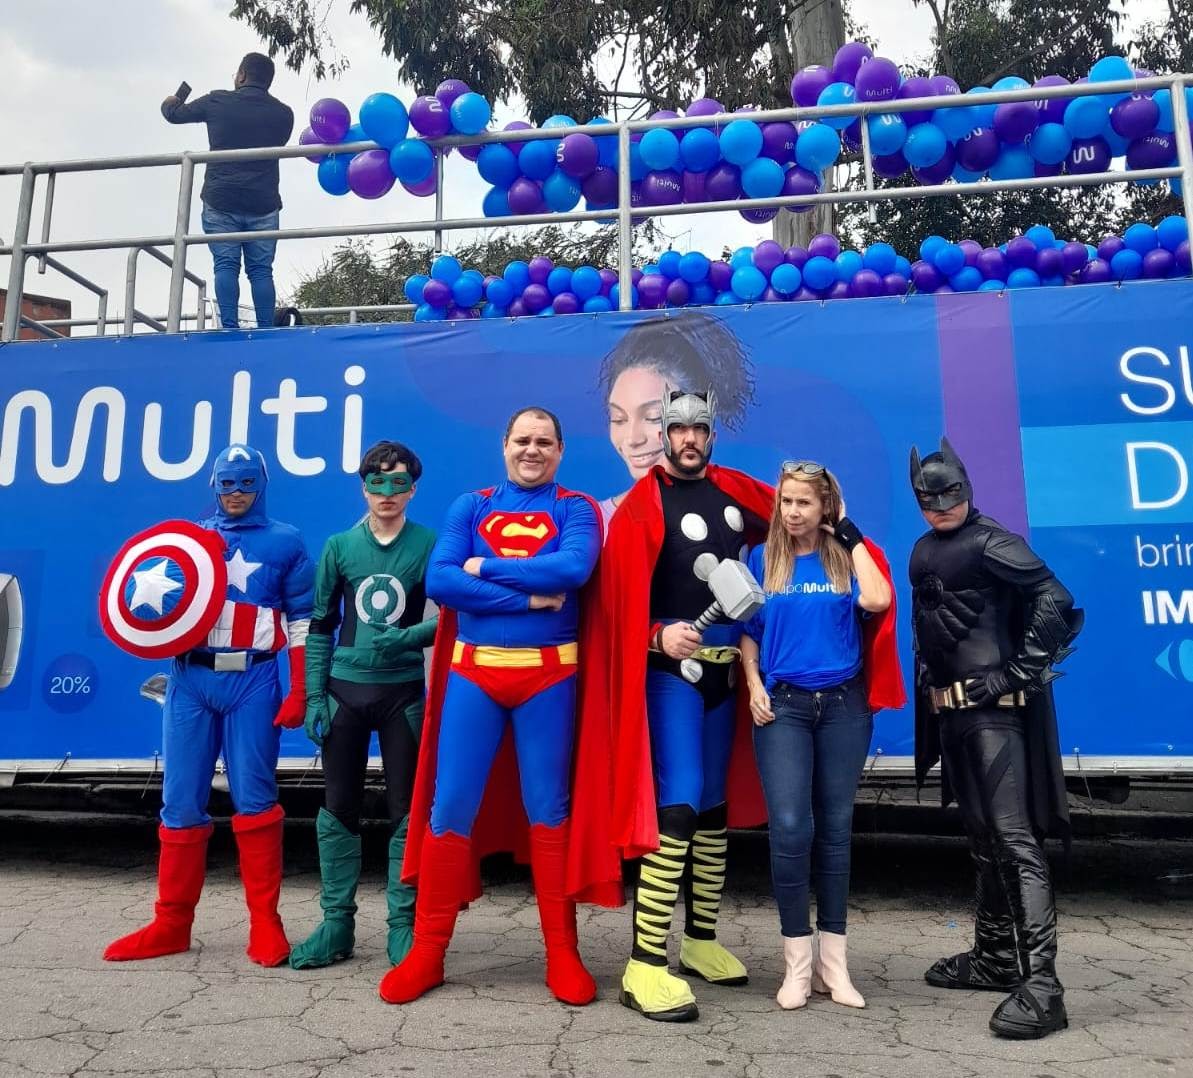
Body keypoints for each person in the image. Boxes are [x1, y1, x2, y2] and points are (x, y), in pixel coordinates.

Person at [378, 407, 607, 1007]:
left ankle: (562, 953)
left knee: (548, 809)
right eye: (522, 440)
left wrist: (484, 567)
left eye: (544, 442)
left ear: (560, 451)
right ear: (504, 445)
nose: (532, 450)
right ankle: (428, 953)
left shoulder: (576, 509)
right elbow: (441, 582)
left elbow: (573, 568)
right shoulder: (470, 506)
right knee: (450, 805)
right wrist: (530, 599)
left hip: (548, 678)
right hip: (473, 676)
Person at [586, 387, 773, 1023]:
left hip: (726, 677)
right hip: (672, 675)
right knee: (681, 804)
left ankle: (699, 939)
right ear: (665, 435)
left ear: (712, 433)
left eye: (699, 428)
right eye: (679, 428)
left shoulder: (737, 493)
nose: (689, 438)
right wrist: (655, 635)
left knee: (715, 806)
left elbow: (803, 516)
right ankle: (644, 964)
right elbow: (612, 602)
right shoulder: (644, 505)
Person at [104, 443, 314, 967]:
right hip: (191, 678)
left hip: (253, 678)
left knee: (256, 800)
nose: (236, 493)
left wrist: (300, 689)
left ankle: (265, 922)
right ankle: (171, 923)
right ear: (213, 485)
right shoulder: (191, 539)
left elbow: (303, 620)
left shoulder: (285, 540)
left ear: (261, 484)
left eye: (246, 483)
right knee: (179, 802)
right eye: (226, 483)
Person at [909, 437, 1082, 1040]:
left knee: (1014, 841)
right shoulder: (924, 549)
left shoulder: (992, 542)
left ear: (967, 488)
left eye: (949, 495)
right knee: (984, 840)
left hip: (995, 716)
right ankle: (995, 957)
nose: (940, 506)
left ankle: (1045, 986)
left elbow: (1056, 600)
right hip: (955, 715)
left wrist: (1014, 674)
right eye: (928, 498)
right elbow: (930, 630)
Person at [740, 462, 903, 1012]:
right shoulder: (762, 559)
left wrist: (849, 535)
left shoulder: (845, 557)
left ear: (826, 506)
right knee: (790, 828)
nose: (792, 512)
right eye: (786, 501)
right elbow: (749, 631)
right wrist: (753, 683)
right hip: (783, 706)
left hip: (843, 708)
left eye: (804, 502)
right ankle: (797, 966)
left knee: (834, 831)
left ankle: (835, 968)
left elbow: (878, 601)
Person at [289, 441, 437, 971]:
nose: (387, 492)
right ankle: (336, 924)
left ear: (413, 489)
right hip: (344, 694)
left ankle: (404, 927)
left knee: (406, 810)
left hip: (403, 694)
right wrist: (314, 696)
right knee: (338, 807)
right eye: (377, 482)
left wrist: (410, 637)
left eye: (398, 482)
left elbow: (452, 615)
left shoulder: (429, 544)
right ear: (363, 487)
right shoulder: (339, 547)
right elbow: (320, 624)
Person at [162, 53, 295, 330]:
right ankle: (265, 330)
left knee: (225, 265)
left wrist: (174, 98)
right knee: (261, 271)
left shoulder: (217, 101)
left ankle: (230, 329)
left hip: (220, 199)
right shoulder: (284, 114)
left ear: (242, 75)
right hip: (263, 203)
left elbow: (172, 114)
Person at [598, 313, 756, 532]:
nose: (632, 439)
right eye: (618, 419)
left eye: (654, 416)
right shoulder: (592, 525)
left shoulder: (742, 506)